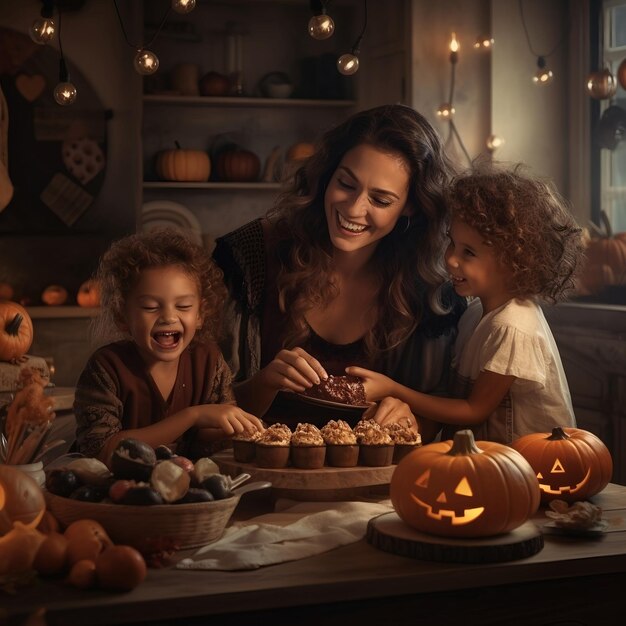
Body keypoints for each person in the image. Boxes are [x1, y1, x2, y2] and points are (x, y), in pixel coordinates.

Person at [213, 104, 466, 432]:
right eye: (346, 184)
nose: (354, 208)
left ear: (411, 207)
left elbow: (446, 418)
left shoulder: (431, 290)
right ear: (326, 176)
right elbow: (201, 404)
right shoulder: (250, 255)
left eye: (381, 200)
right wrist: (263, 384)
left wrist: (410, 413)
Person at [348, 163, 586, 444]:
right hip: (483, 466)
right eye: (452, 243)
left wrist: (392, 389)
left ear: (515, 262)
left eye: (468, 252)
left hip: (528, 471)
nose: (450, 259)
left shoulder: (511, 326)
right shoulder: (473, 315)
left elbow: (473, 411)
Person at [74, 228, 264, 464]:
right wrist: (192, 416)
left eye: (183, 306)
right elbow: (101, 450)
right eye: (151, 307)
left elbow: (205, 438)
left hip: (187, 492)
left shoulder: (209, 361)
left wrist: (229, 426)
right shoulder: (106, 368)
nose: (168, 317)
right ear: (122, 315)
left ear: (200, 314)